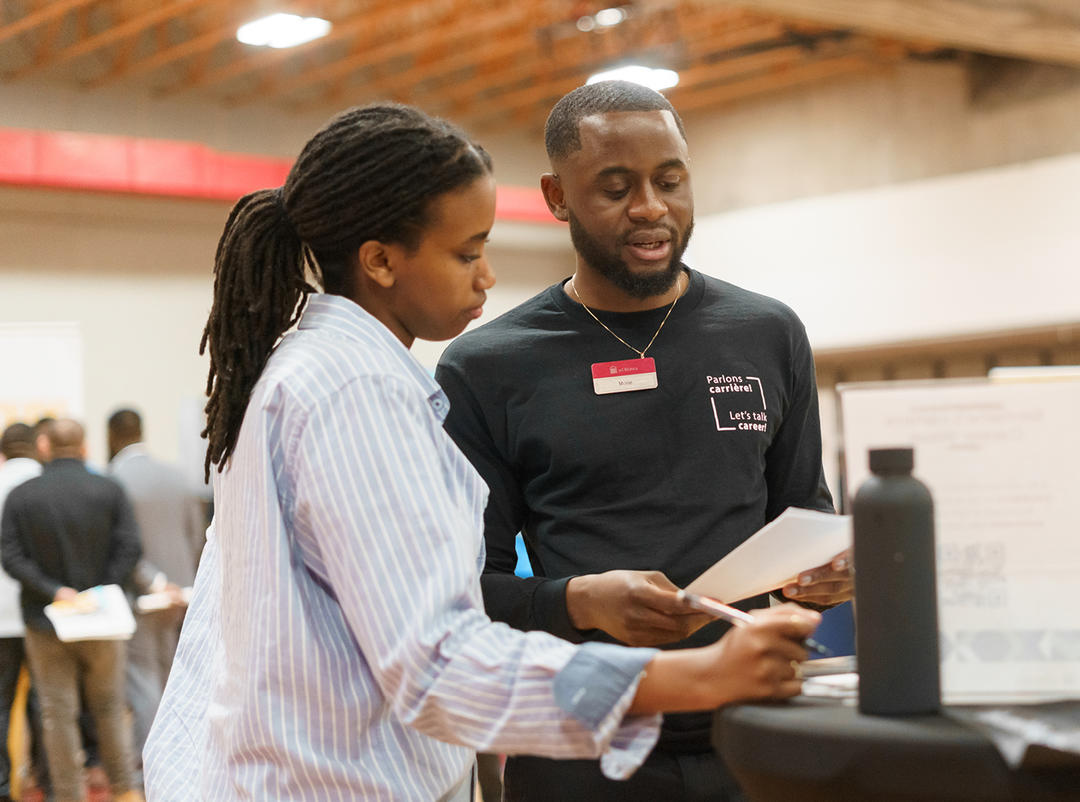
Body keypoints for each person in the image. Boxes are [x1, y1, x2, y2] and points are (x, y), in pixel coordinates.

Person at [142, 103, 818, 801]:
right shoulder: (357, 389)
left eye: (670, 180)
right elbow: (439, 663)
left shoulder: (305, 368)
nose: (487, 276)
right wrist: (693, 675)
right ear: (379, 261)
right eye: (467, 253)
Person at [437, 80, 851, 800]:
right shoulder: (488, 367)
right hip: (584, 751)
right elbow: (465, 593)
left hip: (759, 740)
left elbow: (803, 524)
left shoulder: (768, 333)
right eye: (616, 186)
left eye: (669, 180)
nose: (651, 208)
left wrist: (830, 575)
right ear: (556, 196)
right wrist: (579, 602)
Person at [0, 419, 144, 802]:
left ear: (44, 445)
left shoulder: (22, 496)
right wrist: (101, 591)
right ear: (84, 447)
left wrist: (54, 591)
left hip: (45, 621)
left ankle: (68, 795)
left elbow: (10, 555)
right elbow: (130, 547)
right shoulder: (109, 489)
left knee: (56, 713)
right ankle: (125, 791)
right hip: (103, 620)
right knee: (110, 708)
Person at [106, 408, 203, 758]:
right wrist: (181, 583)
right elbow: (197, 536)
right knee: (179, 681)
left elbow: (120, 546)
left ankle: (153, 763)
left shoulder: (112, 479)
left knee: (144, 682)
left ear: (112, 435)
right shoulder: (177, 476)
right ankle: (186, 758)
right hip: (184, 594)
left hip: (143, 596)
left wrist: (156, 583)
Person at [0, 424, 45, 802]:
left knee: (1, 704)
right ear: (37, 447)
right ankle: (50, 780)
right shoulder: (47, 485)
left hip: (0, 617)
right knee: (48, 702)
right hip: (46, 610)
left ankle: (3, 786)